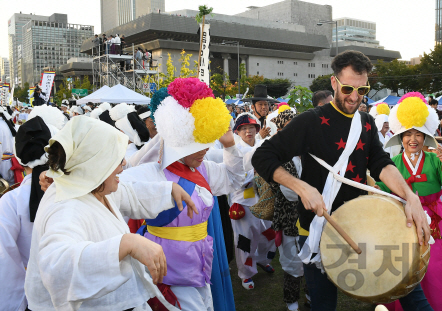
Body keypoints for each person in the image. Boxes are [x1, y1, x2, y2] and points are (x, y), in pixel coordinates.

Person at [252, 50, 432, 311]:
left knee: (410, 293)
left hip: (361, 224)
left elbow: (381, 163)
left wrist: (410, 196)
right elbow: (263, 156)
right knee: (323, 305)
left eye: (362, 89)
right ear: (334, 82)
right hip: (317, 228)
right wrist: (301, 187)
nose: (355, 96)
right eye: (348, 88)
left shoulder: (367, 122)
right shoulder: (309, 122)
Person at [24, 116, 197, 310]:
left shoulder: (89, 186)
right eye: (115, 159)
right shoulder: (66, 207)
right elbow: (58, 266)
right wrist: (126, 244)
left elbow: (129, 194)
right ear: (95, 164)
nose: (123, 164)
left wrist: (169, 190)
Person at [121, 78, 241, 311]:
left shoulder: (203, 169)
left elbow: (234, 180)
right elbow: (114, 192)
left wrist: (229, 146)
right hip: (169, 272)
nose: (206, 149)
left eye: (207, 142)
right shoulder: (150, 173)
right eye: (197, 143)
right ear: (180, 140)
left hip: (200, 265)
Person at [377, 92, 442, 311]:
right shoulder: (392, 163)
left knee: (435, 268)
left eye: (418, 134)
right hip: (403, 221)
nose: (413, 139)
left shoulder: (436, 159)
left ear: (426, 137)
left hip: (433, 222)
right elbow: (383, 192)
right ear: (400, 137)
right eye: (408, 134)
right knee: (404, 267)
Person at [0, 107, 65, 311]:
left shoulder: (11, 201)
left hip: (31, 297)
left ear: (19, 158)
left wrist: (19, 304)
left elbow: (5, 261)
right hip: (73, 292)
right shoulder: (70, 191)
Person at [228, 112, 277, 290]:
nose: (248, 131)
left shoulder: (262, 145)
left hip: (265, 198)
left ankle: (263, 260)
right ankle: (246, 273)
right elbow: (235, 177)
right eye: (243, 129)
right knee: (245, 239)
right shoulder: (234, 150)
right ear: (238, 132)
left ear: (257, 129)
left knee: (269, 233)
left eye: (251, 128)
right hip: (243, 201)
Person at [270, 109, 309, 311]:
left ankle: (311, 294)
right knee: (292, 261)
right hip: (290, 217)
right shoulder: (279, 156)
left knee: (312, 258)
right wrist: (312, 191)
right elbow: (289, 192)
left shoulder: (307, 152)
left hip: (310, 216)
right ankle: (292, 301)